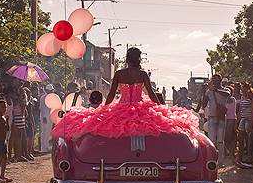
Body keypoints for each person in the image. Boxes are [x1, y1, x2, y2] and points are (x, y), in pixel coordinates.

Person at [52, 48, 204, 145]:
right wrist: (162, 109)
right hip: (141, 107)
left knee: (114, 131)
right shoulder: (142, 74)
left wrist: (103, 110)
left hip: (122, 107)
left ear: (127, 59)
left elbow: (111, 94)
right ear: (138, 59)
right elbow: (151, 94)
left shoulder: (119, 74)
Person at [196, 74, 230, 158]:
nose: (216, 82)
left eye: (217, 80)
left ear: (221, 81)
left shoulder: (225, 90)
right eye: (214, 80)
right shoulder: (209, 91)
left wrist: (214, 90)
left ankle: (220, 160)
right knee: (212, 141)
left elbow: (227, 94)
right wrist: (204, 92)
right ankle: (212, 158)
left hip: (221, 118)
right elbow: (203, 105)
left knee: (220, 141)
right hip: (212, 118)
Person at [224, 86, 238, 161]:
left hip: (231, 119)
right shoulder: (224, 100)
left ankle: (230, 151)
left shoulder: (232, 99)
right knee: (225, 136)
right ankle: (226, 151)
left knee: (229, 136)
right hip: (225, 119)